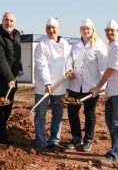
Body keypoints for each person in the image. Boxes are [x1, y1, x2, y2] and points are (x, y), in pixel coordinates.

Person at [91, 19, 118, 167]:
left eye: (112, 30)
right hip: (113, 91)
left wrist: (98, 86)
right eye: (107, 30)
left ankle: (114, 156)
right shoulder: (112, 46)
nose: (109, 32)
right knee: (111, 121)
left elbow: (111, 69)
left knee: (117, 123)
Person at [66, 19, 107, 151]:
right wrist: (69, 70)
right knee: (72, 112)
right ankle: (76, 138)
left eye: (88, 28)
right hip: (75, 85)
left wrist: (100, 87)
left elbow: (103, 67)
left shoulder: (99, 45)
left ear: (92, 29)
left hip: (91, 86)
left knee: (89, 112)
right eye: (83, 28)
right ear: (80, 30)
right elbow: (69, 60)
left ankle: (88, 140)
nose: (85, 31)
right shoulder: (75, 45)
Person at [33, 18, 73, 154]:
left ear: (59, 29)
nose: (51, 30)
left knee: (58, 114)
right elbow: (41, 65)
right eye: (48, 28)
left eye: (53, 27)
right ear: (45, 30)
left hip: (60, 86)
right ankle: (41, 142)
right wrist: (47, 83)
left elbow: (69, 60)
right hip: (43, 87)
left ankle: (54, 141)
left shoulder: (65, 44)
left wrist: (68, 70)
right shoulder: (42, 45)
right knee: (40, 115)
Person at [0, 12, 23, 145]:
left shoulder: (17, 34)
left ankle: (1, 133)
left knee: (7, 110)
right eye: (6, 20)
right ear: (2, 21)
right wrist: (9, 78)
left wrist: (19, 68)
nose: (9, 23)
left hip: (11, 80)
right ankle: (0, 138)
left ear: (15, 22)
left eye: (12, 21)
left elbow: (17, 54)